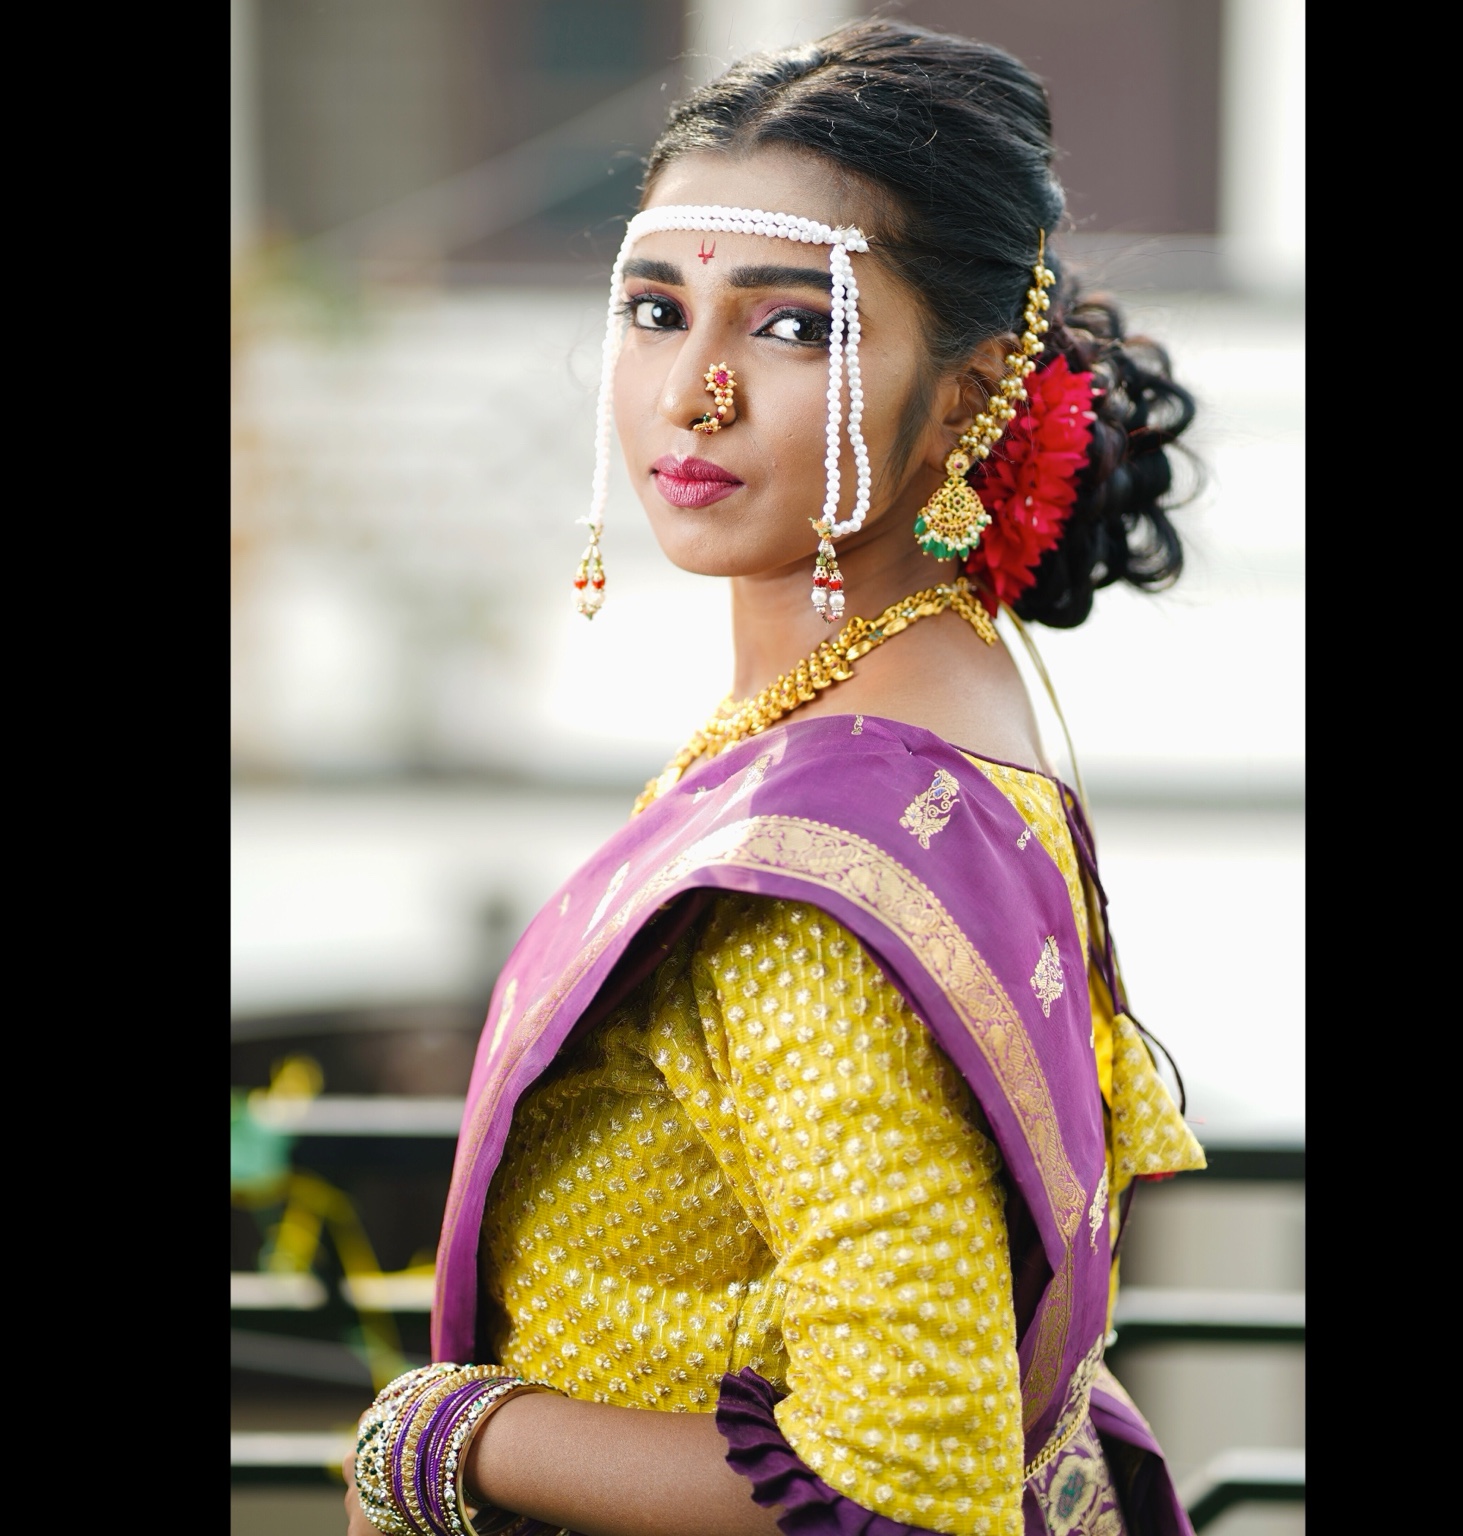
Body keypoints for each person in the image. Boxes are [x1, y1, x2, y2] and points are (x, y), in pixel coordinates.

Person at [344, 18, 1206, 1536]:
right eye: (657, 309)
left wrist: (448, 1437)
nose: (695, 392)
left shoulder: (819, 883)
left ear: (968, 394)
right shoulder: (913, 713)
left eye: (795, 328)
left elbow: (909, 1485)